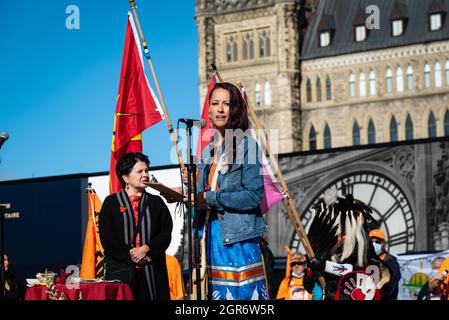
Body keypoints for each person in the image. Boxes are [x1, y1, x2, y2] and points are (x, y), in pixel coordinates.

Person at [163, 82, 268, 300]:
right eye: (215, 103)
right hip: (208, 234)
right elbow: (202, 191)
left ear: (235, 109)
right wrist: (181, 192)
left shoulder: (247, 145)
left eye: (226, 104)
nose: (220, 109)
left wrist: (209, 197)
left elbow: (252, 195)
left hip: (237, 238)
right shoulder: (209, 149)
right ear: (208, 110)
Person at [99, 152, 173, 300]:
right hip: (121, 271)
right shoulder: (111, 203)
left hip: (153, 269)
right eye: (139, 171)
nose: (145, 174)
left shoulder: (156, 202)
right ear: (125, 177)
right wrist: (132, 254)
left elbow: (166, 233)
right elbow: (107, 238)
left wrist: (147, 249)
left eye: (146, 170)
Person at [303, 193, 390, 300]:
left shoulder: (361, 246)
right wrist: (309, 275)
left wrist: (323, 265)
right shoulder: (328, 248)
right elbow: (312, 287)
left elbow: (351, 271)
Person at [369, 229, 401, 300]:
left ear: (384, 244)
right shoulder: (365, 261)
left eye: (377, 241)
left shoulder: (392, 263)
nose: (374, 244)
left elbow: (392, 287)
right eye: (371, 241)